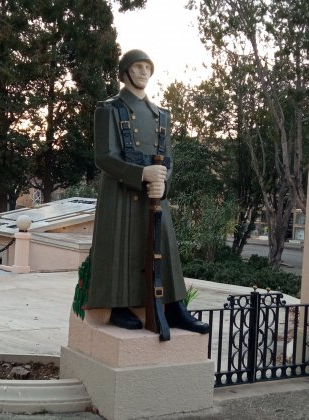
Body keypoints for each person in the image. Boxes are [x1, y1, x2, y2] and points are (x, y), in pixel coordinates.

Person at [87, 49, 210, 335]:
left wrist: (163, 182)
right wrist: (141, 174)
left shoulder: (161, 114)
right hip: (120, 194)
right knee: (121, 247)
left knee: (164, 246)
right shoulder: (109, 108)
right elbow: (104, 157)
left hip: (155, 193)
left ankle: (175, 307)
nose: (143, 72)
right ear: (125, 72)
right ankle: (118, 306)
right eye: (138, 67)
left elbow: (168, 158)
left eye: (147, 68)